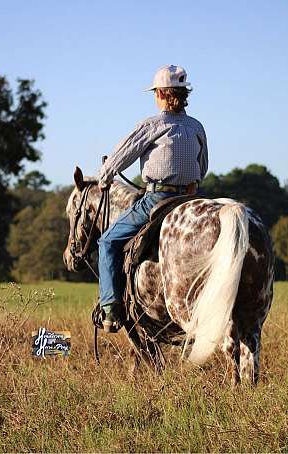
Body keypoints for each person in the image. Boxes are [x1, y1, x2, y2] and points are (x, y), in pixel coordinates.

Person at [97, 64, 208, 333]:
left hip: (157, 199)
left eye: (156, 93)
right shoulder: (196, 127)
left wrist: (105, 176)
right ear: (183, 95)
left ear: (160, 94)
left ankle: (110, 309)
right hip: (191, 200)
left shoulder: (152, 124)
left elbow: (122, 155)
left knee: (107, 241)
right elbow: (202, 167)